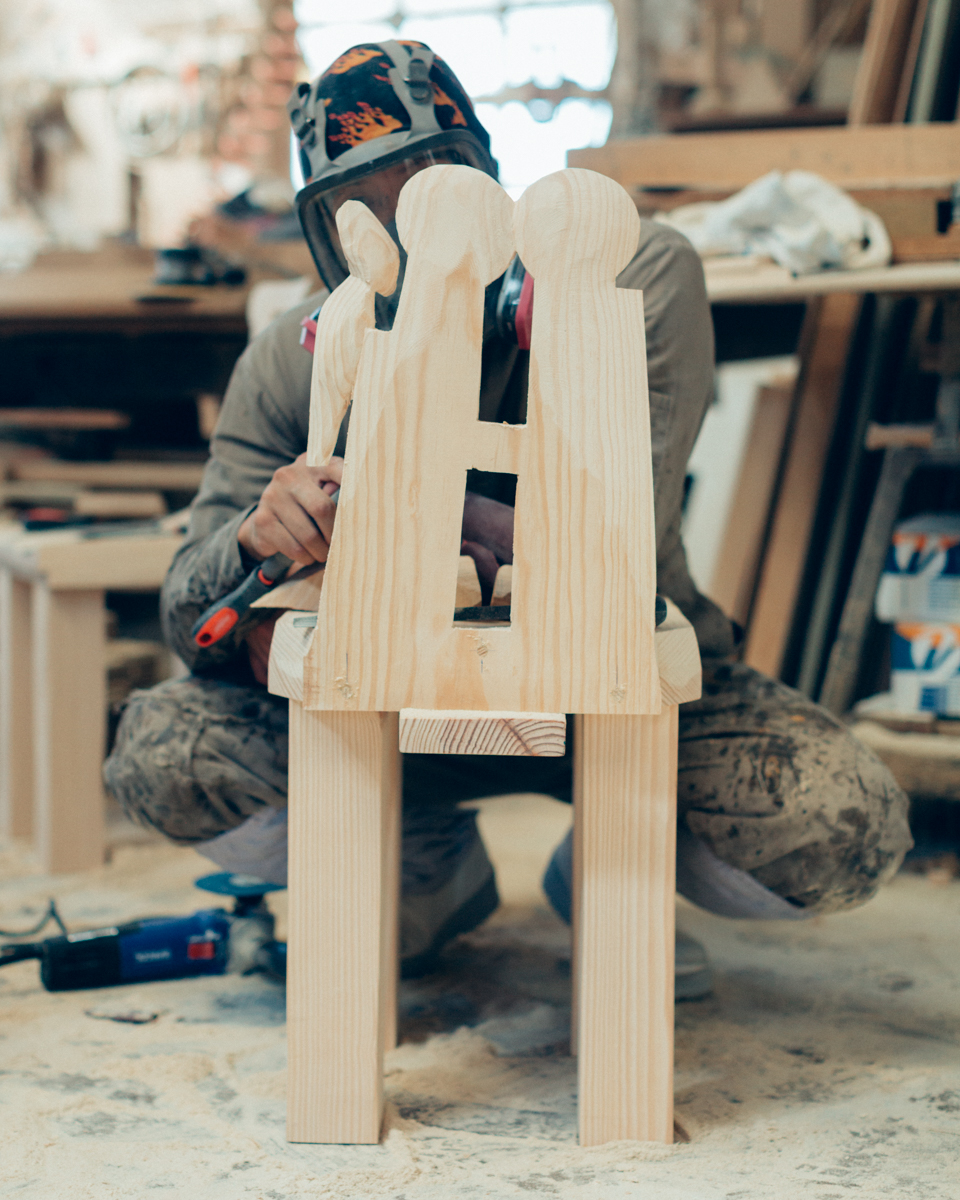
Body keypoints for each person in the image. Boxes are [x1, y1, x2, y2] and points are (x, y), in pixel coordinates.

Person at [104, 39, 912, 997]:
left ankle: (612, 866)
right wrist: (252, 540)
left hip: (611, 694)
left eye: (432, 192)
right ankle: (421, 855)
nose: (410, 236)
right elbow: (188, 616)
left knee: (841, 828)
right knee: (165, 757)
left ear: (489, 181)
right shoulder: (298, 355)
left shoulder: (621, 281)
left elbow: (606, 547)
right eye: (361, 210)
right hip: (378, 703)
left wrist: (387, 510)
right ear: (325, 232)